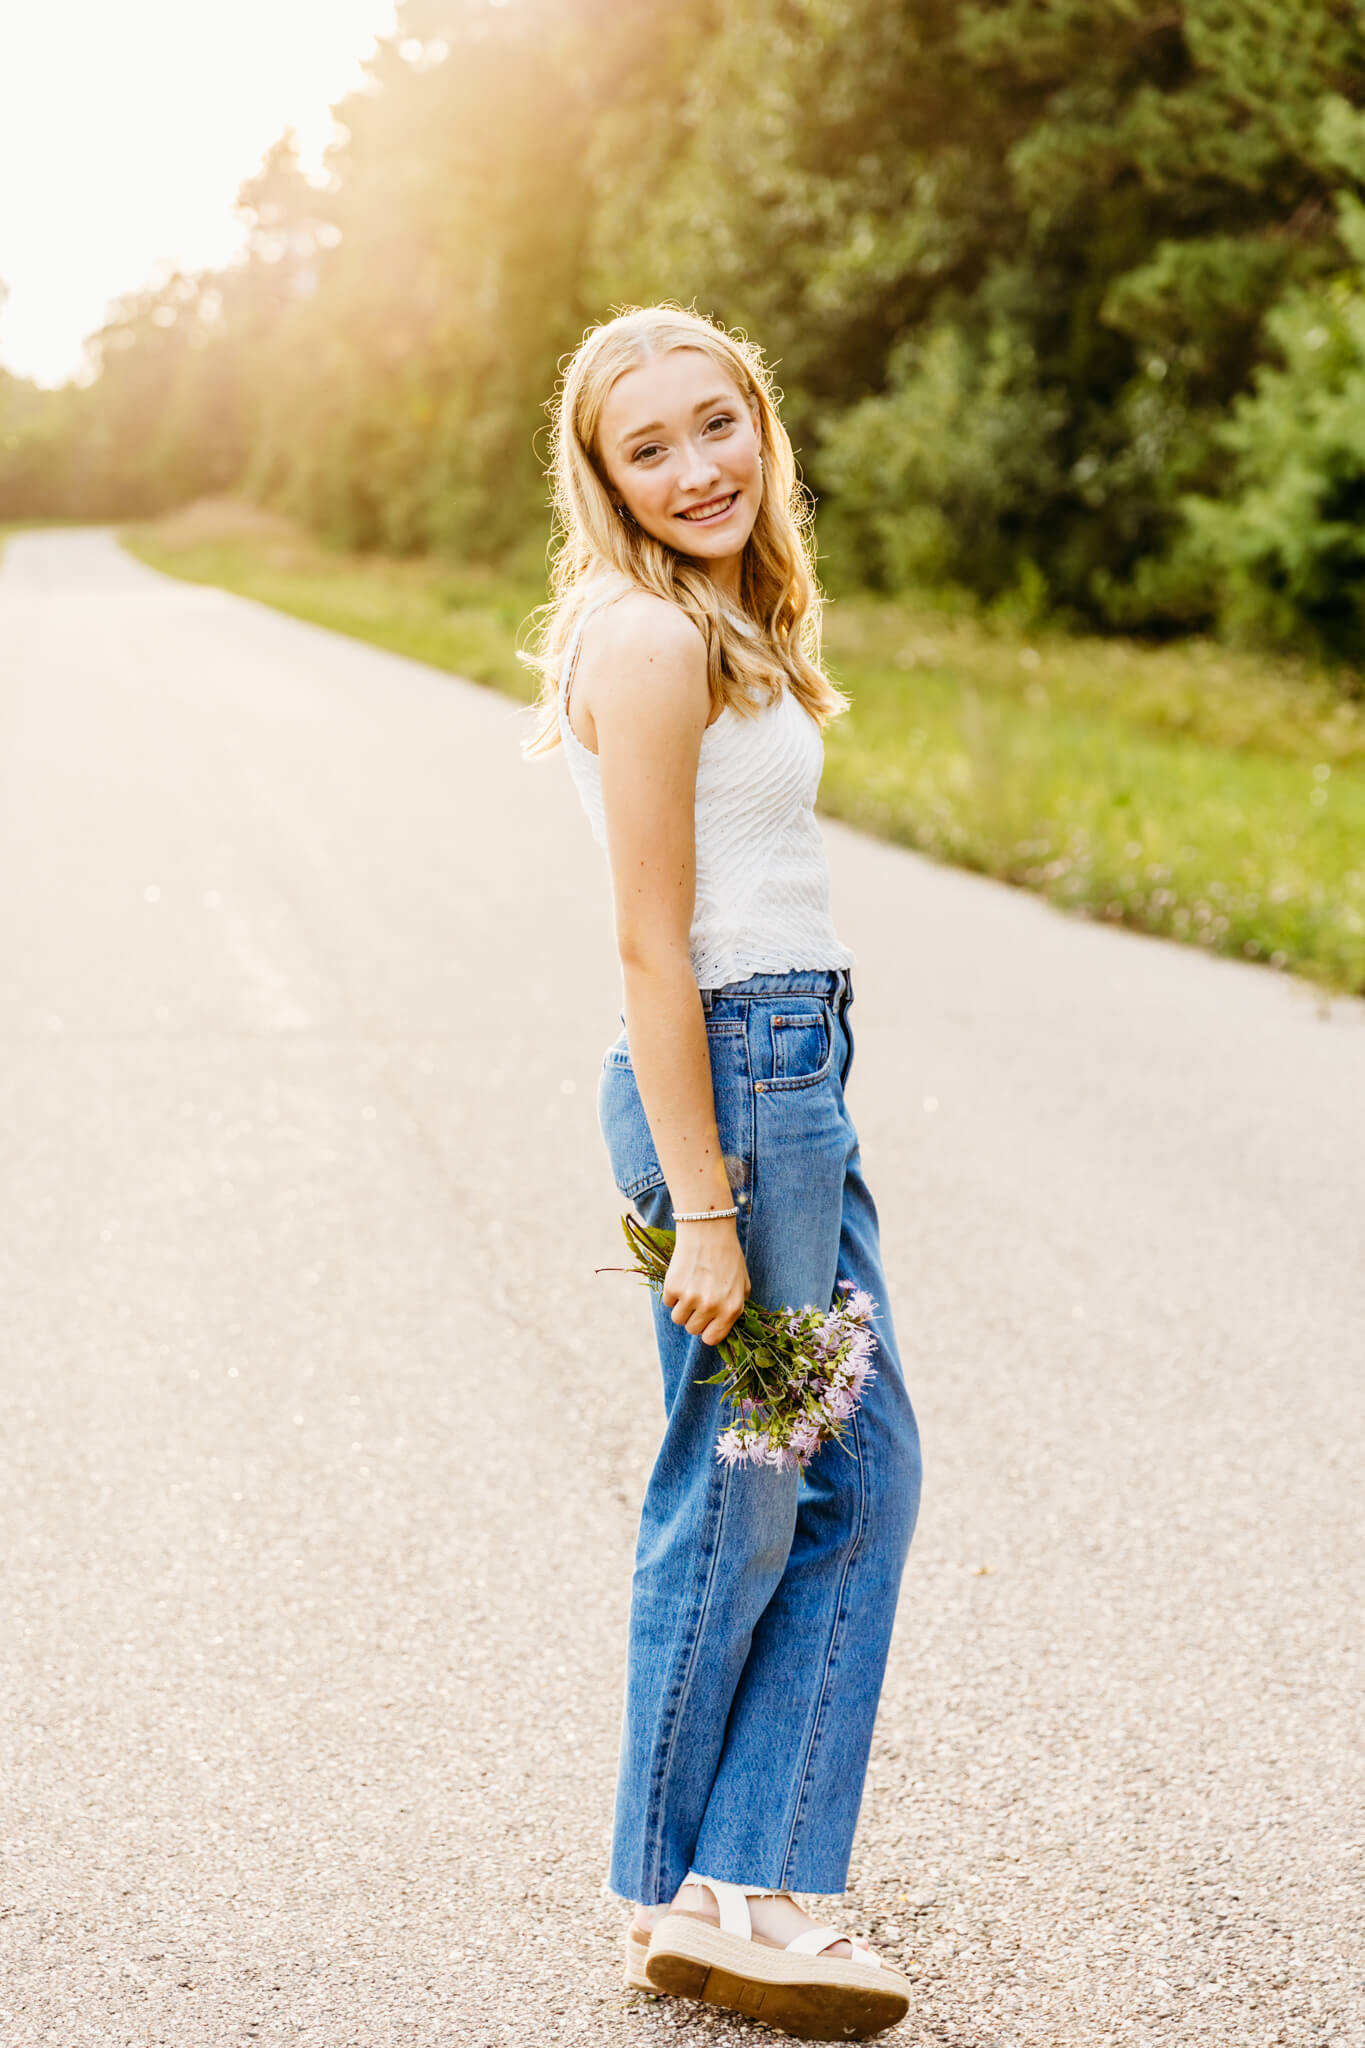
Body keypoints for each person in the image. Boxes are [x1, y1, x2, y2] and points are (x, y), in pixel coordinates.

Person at [521, 304, 923, 2041]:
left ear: (762, 419)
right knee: (794, 1491)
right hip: (739, 1091)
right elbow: (647, 943)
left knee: (807, 1484)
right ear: (602, 479)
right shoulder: (648, 640)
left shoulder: (711, 619)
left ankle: (708, 1884)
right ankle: (733, 1889)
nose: (699, 467)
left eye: (718, 424)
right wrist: (702, 1201)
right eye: (651, 447)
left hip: (784, 1073)